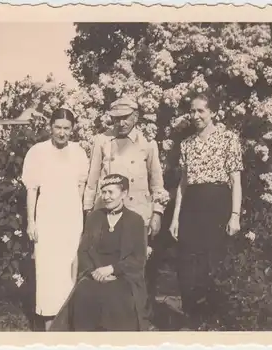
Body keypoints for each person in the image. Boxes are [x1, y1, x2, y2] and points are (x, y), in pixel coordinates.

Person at [83, 96, 168, 330]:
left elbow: (157, 183)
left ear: (136, 117)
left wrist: (157, 212)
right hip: (109, 216)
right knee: (110, 267)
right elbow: (92, 180)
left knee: (139, 270)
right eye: (116, 119)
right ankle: (112, 320)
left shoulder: (147, 143)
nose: (120, 123)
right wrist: (89, 211)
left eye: (125, 118)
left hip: (138, 215)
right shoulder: (103, 141)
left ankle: (143, 320)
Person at [169, 92, 243, 328]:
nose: (196, 115)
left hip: (217, 203)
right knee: (186, 261)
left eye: (201, 110)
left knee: (212, 260)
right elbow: (183, 183)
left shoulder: (228, 138)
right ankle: (192, 316)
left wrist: (235, 215)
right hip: (192, 205)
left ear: (212, 113)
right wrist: (175, 217)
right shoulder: (187, 144)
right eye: (192, 111)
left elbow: (236, 181)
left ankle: (213, 317)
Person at [49, 174, 148, 331]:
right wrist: (94, 272)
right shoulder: (95, 217)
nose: (106, 197)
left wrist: (113, 269)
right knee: (83, 294)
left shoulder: (135, 220)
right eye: (103, 192)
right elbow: (84, 250)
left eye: (111, 192)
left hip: (123, 277)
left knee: (116, 298)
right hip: (94, 275)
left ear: (124, 194)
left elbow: (138, 258)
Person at [21, 107, 89, 331]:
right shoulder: (37, 152)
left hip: (70, 218)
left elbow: (81, 187)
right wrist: (31, 222)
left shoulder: (79, 152)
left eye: (67, 128)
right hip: (47, 218)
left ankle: (68, 320)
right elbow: (32, 189)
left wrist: (78, 218)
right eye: (58, 127)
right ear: (50, 127)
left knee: (70, 266)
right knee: (48, 269)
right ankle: (50, 323)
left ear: (73, 129)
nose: (62, 133)